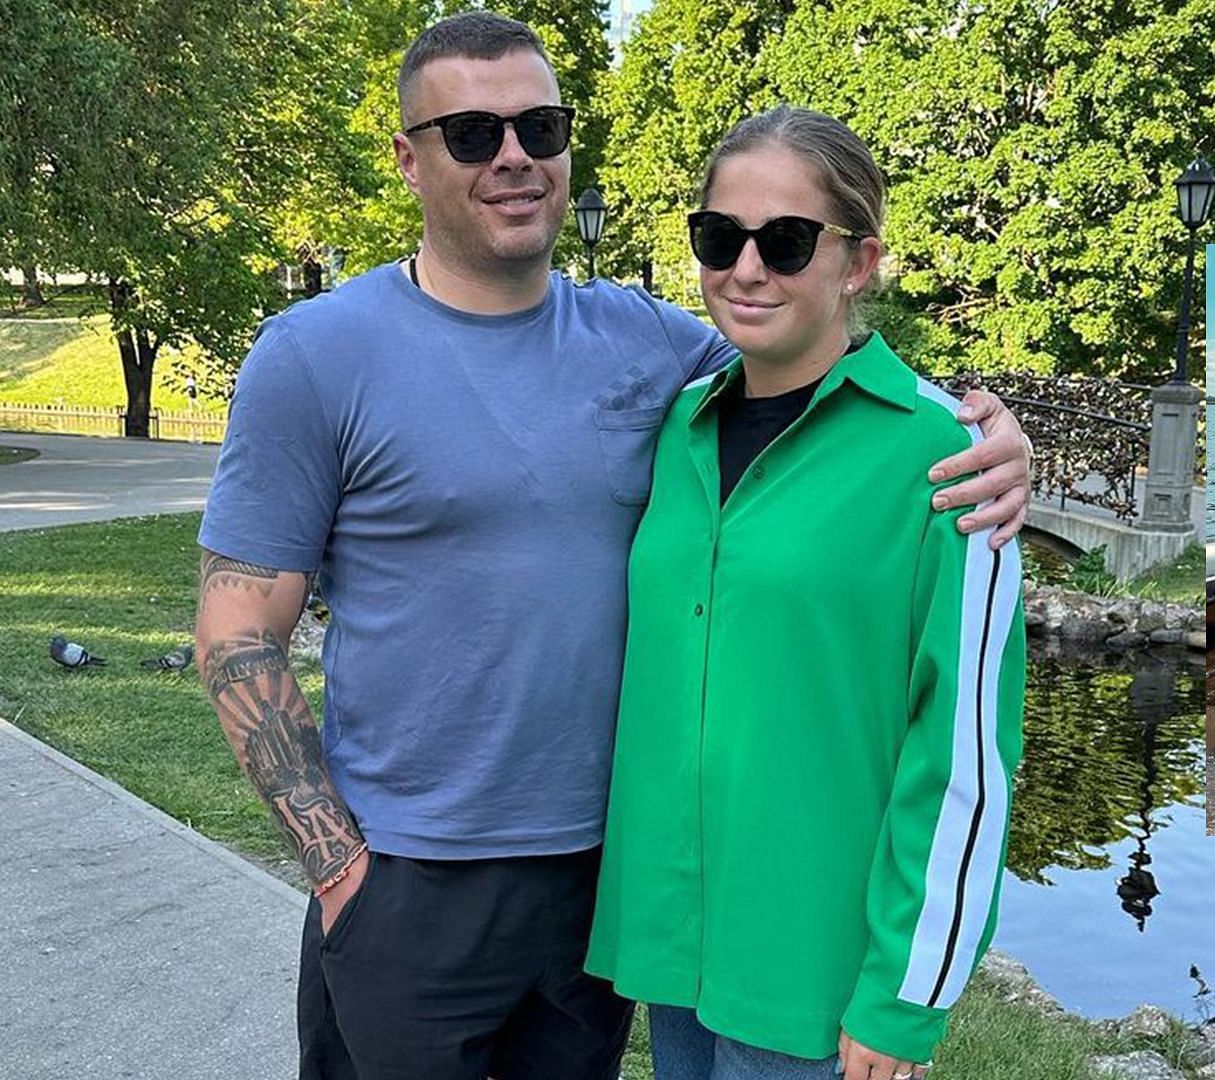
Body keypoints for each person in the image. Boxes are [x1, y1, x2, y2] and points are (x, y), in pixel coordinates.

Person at [192, 14, 1032, 1080]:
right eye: (469, 132)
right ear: (408, 157)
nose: (512, 157)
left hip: (600, 892)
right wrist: (338, 865)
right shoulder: (315, 355)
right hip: (410, 879)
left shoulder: (658, 353)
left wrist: (987, 426)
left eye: (540, 126)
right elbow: (235, 627)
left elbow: (817, 366)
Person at [585, 108, 1026, 1080]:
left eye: (785, 242)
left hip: (819, 986)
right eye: (719, 236)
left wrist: (904, 998)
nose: (747, 269)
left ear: (857, 262)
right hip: (679, 948)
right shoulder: (679, 428)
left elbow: (966, 764)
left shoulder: (951, 460)